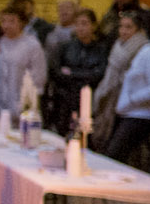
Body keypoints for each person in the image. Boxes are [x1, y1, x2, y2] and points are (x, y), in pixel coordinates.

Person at [102, 12, 150, 167]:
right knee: (112, 155)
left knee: (114, 155)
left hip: (140, 115)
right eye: (121, 26)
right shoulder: (120, 50)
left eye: (129, 27)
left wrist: (131, 99)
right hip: (122, 111)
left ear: (140, 30)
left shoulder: (149, 53)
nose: (123, 31)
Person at [0, 3, 46, 123]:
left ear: (21, 23)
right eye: (3, 21)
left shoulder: (32, 45)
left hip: (21, 105)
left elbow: (39, 78)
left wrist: (26, 104)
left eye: (11, 21)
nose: (6, 25)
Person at [46, 8, 109, 136]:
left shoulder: (100, 49)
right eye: (78, 24)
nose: (80, 28)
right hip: (65, 100)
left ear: (94, 26)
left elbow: (98, 74)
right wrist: (84, 73)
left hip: (89, 100)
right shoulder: (65, 47)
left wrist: (72, 73)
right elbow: (57, 72)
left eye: (85, 23)